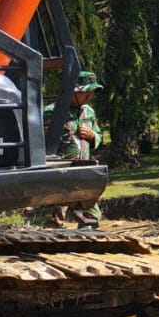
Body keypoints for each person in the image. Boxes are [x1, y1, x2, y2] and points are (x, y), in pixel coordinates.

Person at [43, 70, 104, 228]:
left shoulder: (89, 112)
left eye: (92, 92)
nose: (89, 96)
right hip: (59, 171)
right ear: (73, 91)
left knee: (89, 210)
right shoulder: (53, 112)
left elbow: (98, 135)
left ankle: (87, 237)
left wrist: (92, 136)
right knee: (53, 211)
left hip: (83, 169)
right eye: (86, 92)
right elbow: (41, 140)